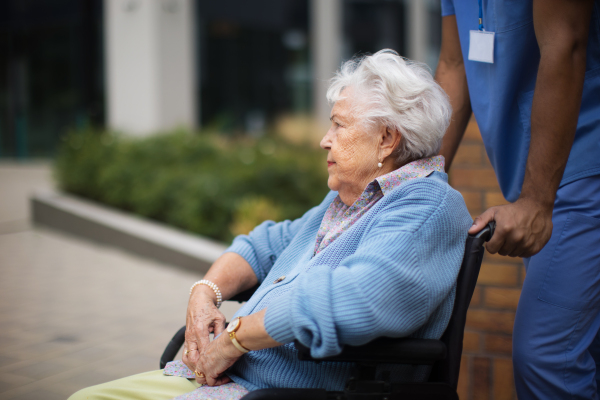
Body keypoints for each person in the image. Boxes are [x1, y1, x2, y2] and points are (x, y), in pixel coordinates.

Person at [69, 49, 472, 400]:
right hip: (235, 381)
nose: (324, 140)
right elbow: (263, 244)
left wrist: (233, 340)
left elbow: (352, 298)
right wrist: (203, 295)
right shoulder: (348, 200)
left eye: (339, 125)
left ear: (387, 138)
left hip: (284, 394)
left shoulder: (427, 207)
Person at [435, 0, 600, 398]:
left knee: (547, 356)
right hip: (536, 183)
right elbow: (454, 67)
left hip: (583, 171)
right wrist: (414, 178)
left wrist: (537, 202)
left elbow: (566, 42)